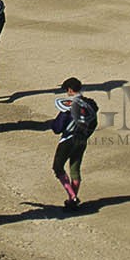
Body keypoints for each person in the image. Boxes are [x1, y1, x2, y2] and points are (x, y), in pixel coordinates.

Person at [49, 79, 98, 208]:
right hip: (82, 140)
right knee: (75, 169)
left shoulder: (68, 107)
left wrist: (54, 124)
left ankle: (72, 197)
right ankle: (72, 202)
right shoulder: (90, 105)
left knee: (58, 167)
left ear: (70, 90)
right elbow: (94, 123)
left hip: (67, 140)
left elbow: (57, 128)